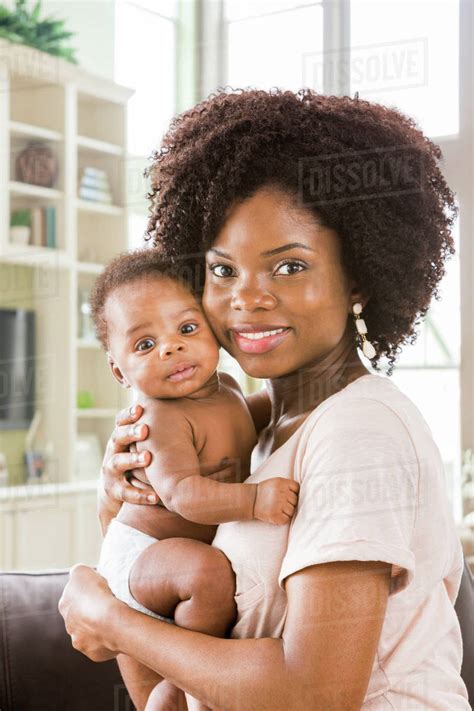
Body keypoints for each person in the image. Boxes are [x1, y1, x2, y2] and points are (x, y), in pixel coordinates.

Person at [59, 89, 470, 710]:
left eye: (288, 267)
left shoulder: (360, 433)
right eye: (223, 271)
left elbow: (316, 695)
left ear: (357, 275)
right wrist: (120, 500)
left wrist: (110, 618)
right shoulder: (261, 424)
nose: (246, 299)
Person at [89, 248, 299, 709]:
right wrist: (254, 501)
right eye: (145, 345)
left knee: (205, 573)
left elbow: (251, 418)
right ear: (118, 369)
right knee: (207, 573)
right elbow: (184, 495)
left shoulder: (224, 390)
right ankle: (190, 683)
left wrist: (297, 396)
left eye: (186, 329)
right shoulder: (158, 419)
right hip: (141, 559)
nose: (171, 347)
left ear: (214, 331)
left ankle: (184, 686)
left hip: (174, 564)